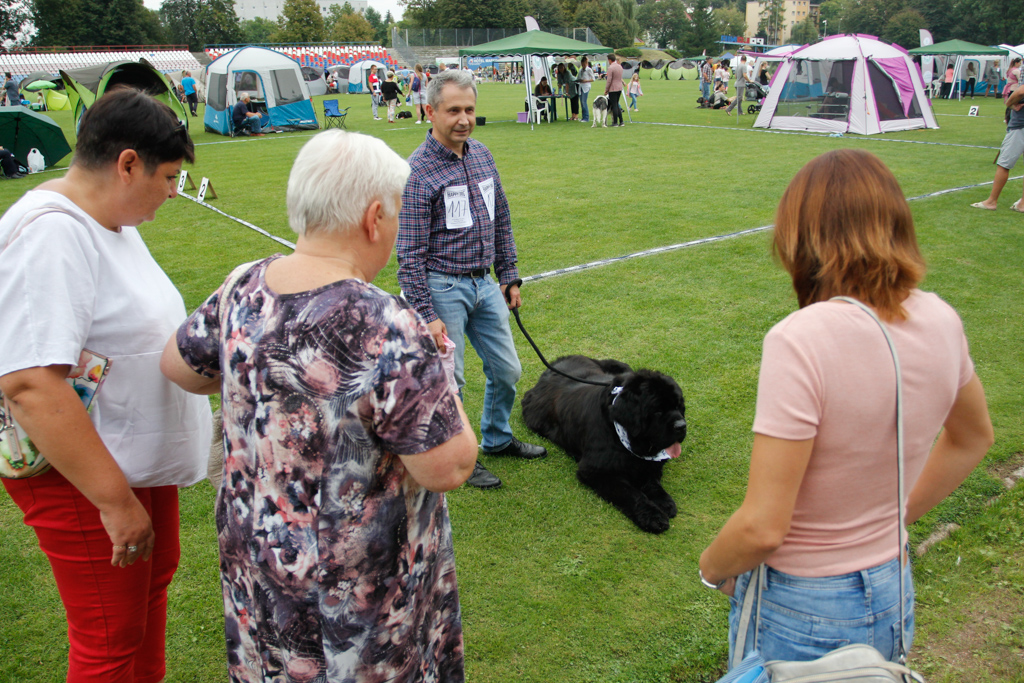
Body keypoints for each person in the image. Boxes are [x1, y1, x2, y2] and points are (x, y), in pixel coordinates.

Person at [161, 129, 477, 682]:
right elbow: (448, 465)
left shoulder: (244, 286)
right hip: (356, 592)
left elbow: (181, 365)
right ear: (374, 217)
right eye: (398, 217)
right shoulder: (386, 323)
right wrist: (439, 373)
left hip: (261, 559)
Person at [699, 148, 994, 668]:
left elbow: (762, 527)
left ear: (803, 237)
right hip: (892, 585)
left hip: (804, 604)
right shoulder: (941, 318)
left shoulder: (801, 338)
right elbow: (974, 437)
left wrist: (710, 567)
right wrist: (891, 524)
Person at [0, 88, 213, 683]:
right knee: (109, 631)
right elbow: (29, 384)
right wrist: (114, 502)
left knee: (144, 603)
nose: (173, 192)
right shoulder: (50, 233)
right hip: (80, 471)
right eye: (168, 176)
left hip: (130, 456)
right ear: (127, 164)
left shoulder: (107, 218)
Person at [396, 69, 547, 490]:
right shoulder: (418, 172)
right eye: (453, 110)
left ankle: (497, 438)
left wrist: (510, 275)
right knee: (451, 381)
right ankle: (463, 456)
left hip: (485, 284)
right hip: (442, 288)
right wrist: (426, 314)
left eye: (470, 110)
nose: (463, 119)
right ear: (430, 111)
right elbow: (408, 254)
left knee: (508, 369)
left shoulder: (481, 154)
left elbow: (501, 220)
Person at [970, 79, 1024, 211]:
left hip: (1020, 125)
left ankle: (991, 201)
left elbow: (1021, 91)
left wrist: (1009, 103)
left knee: (1004, 164)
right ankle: (1022, 203)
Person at [604, 53, 624, 127]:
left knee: (614, 105)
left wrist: (606, 89)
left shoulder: (611, 68)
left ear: (609, 60)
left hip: (613, 88)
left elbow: (609, 80)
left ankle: (615, 122)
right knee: (617, 104)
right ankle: (621, 121)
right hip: (619, 87)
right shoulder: (620, 66)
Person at [578, 56, 595, 123]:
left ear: (586, 63)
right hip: (581, 86)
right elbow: (578, 77)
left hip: (586, 87)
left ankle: (586, 117)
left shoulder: (589, 70)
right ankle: (583, 117)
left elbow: (593, 79)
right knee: (581, 102)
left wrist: (586, 80)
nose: (583, 66)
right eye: (582, 64)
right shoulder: (580, 70)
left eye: (584, 64)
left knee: (584, 101)